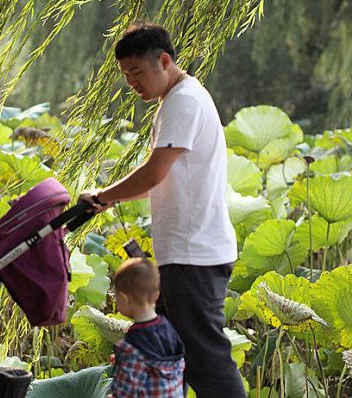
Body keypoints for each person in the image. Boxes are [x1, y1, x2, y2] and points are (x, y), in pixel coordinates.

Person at [79, 23, 246, 397]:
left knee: (208, 361)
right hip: (186, 254)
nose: (131, 83)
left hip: (194, 256)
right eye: (125, 75)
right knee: (167, 357)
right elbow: (167, 179)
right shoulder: (179, 99)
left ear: (164, 61)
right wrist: (112, 197)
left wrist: (106, 195)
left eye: (136, 72)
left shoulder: (184, 100)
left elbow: (154, 173)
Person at [109, 258, 184, 398]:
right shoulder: (169, 328)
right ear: (156, 294)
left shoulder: (131, 346)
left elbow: (126, 392)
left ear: (124, 298)